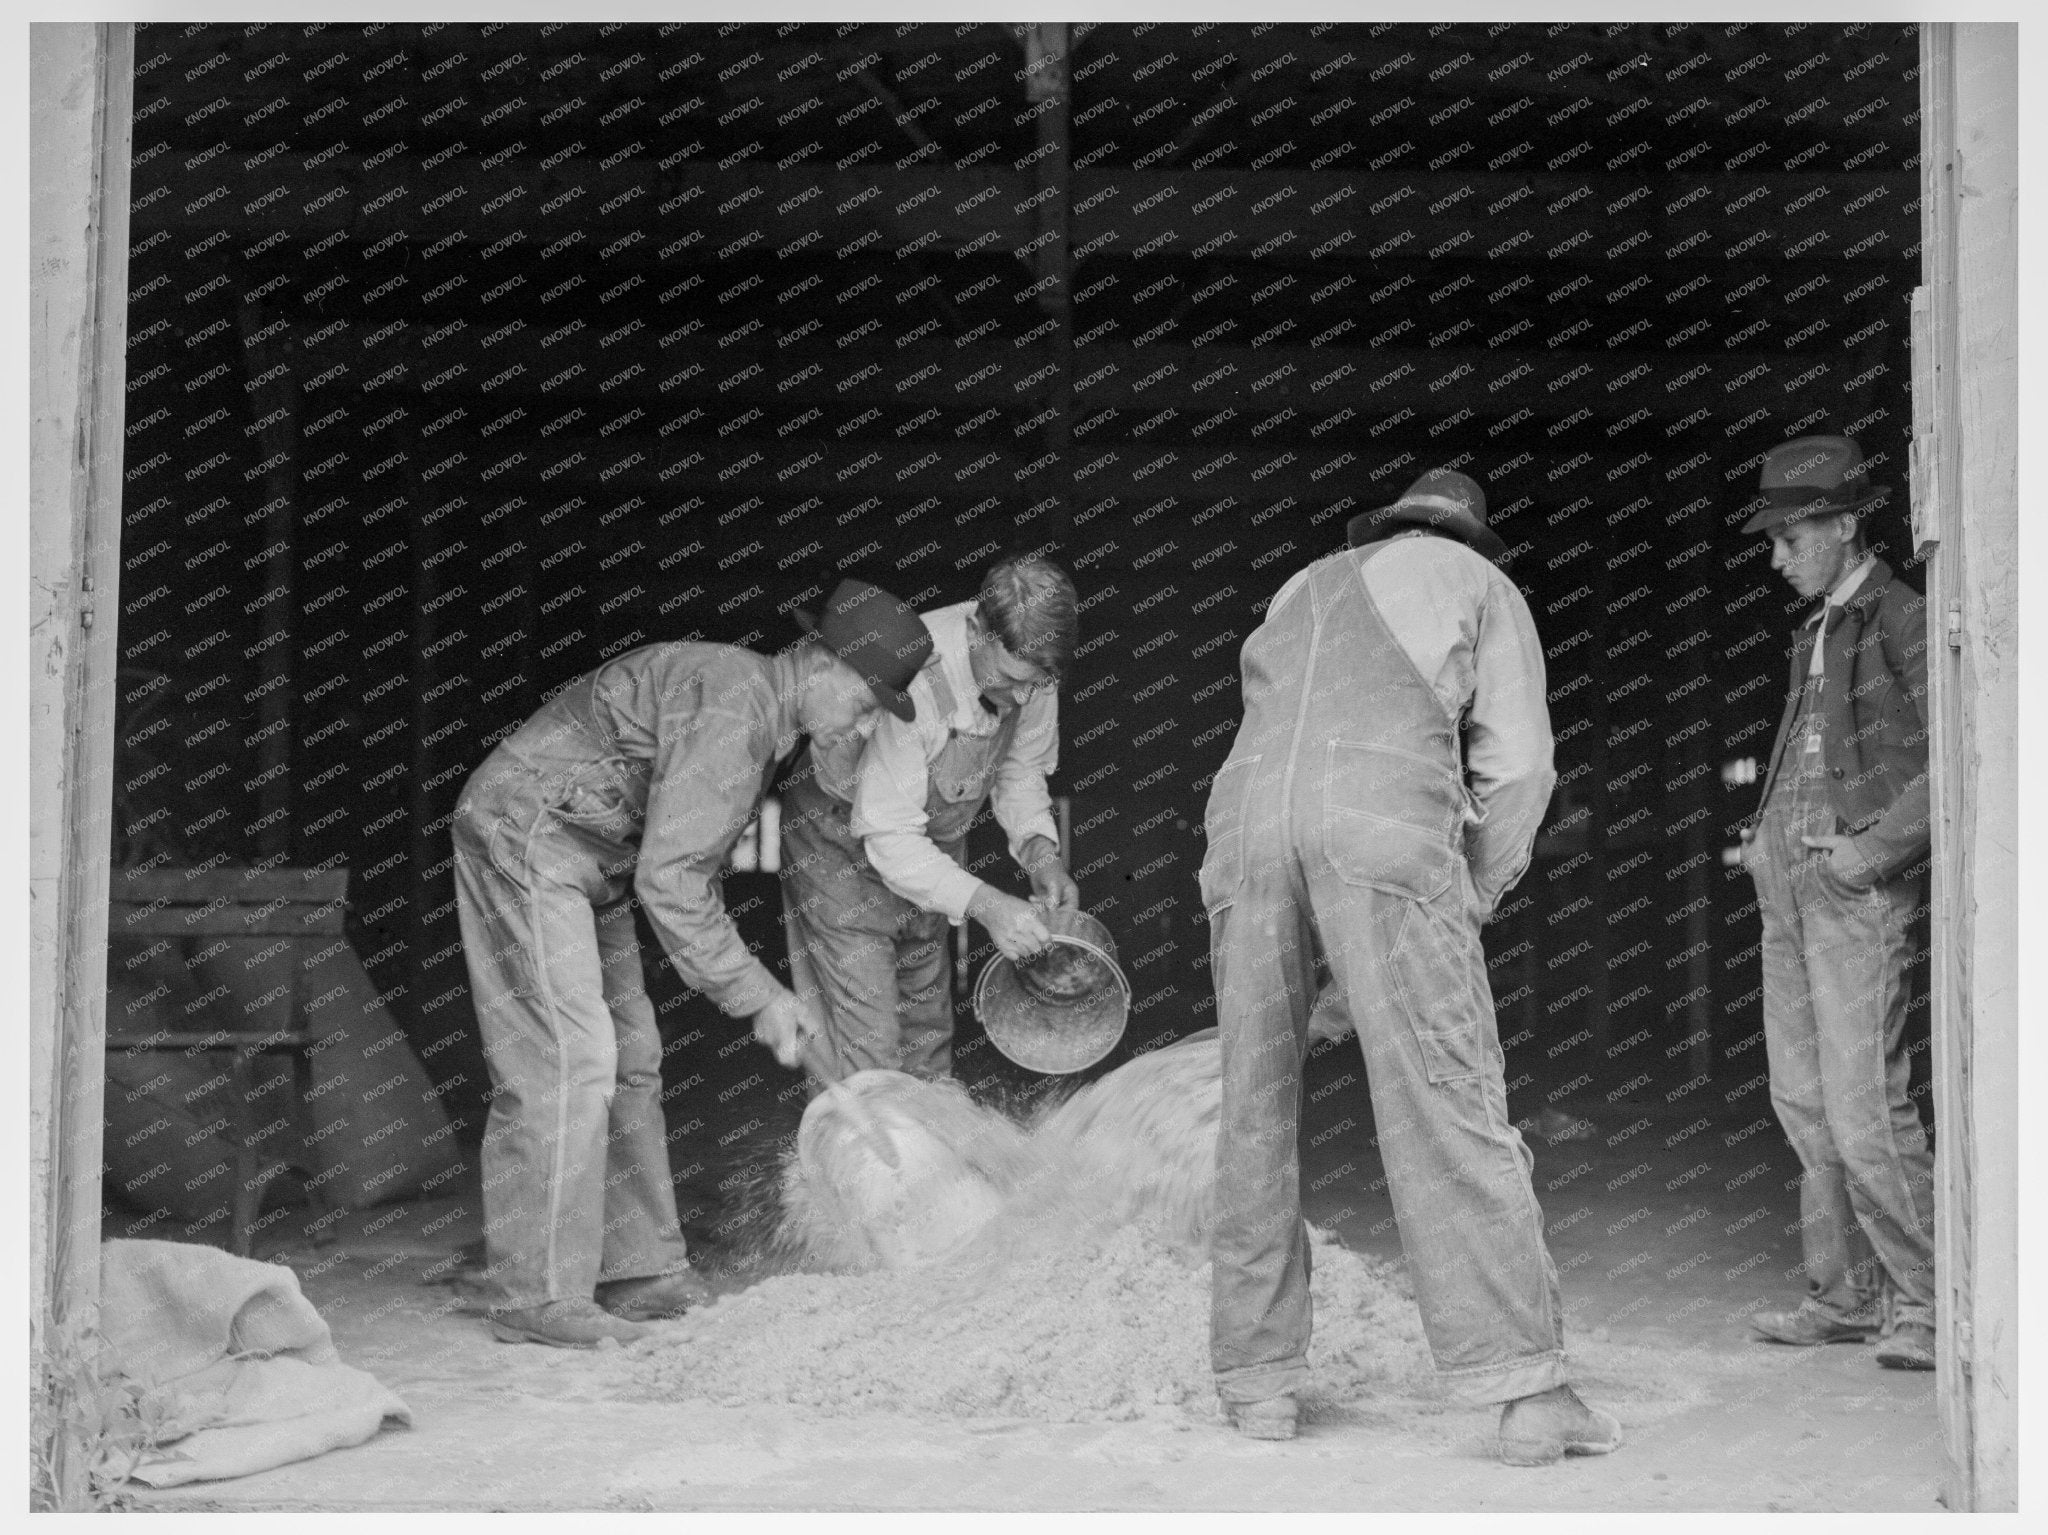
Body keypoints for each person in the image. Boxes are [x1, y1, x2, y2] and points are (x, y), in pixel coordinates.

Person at [1202, 468, 1620, 1465]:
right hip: (1382, 821)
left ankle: (1256, 1381)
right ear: (1472, 538)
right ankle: (1524, 1388)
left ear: (1382, 526)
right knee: (1445, 1092)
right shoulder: (1480, 585)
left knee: (1253, 1099)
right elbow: (1517, 766)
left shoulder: (1300, 584)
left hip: (1244, 824)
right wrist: (1473, 885)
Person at [451, 579, 933, 1347]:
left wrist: (754, 988)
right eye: (868, 702)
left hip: (596, 852)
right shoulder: (737, 706)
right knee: (573, 1058)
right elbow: (672, 882)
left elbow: (676, 866)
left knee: (632, 1056)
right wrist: (759, 994)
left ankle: (640, 1267)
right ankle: (533, 1294)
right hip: (529, 833)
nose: (867, 724)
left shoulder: (760, 716)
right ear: (819, 664)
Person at [1735, 434, 1936, 1370]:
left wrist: (1870, 853)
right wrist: (1765, 846)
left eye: (1789, 536)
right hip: (1792, 885)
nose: (1777, 558)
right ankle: (1843, 1293)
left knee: (1864, 1108)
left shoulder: (1901, 614)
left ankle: (1929, 1301)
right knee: (1804, 1099)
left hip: (1853, 888)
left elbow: (1960, 753)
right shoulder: (1816, 628)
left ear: (1846, 526)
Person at [779, 554, 1081, 1087]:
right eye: (1012, 681)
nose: (1024, 698)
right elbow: (889, 834)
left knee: (926, 1029)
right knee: (867, 1036)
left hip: (930, 845)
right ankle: (858, 1162)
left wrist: (1040, 852)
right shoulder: (916, 670)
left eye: (1039, 684)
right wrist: (987, 904)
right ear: (975, 631)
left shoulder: (1033, 672)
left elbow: (1020, 769)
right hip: (841, 838)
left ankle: (927, 1160)